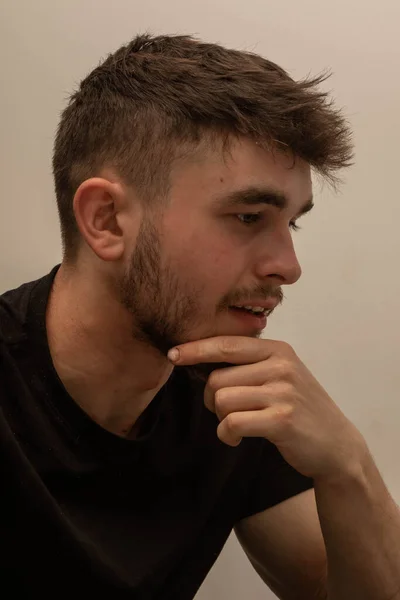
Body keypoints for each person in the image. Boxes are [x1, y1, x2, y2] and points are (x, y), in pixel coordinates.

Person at [1, 33, 399, 600]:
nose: (288, 267)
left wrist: (348, 465)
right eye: (246, 216)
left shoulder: (233, 402)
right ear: (108, 220)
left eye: (293, 223)